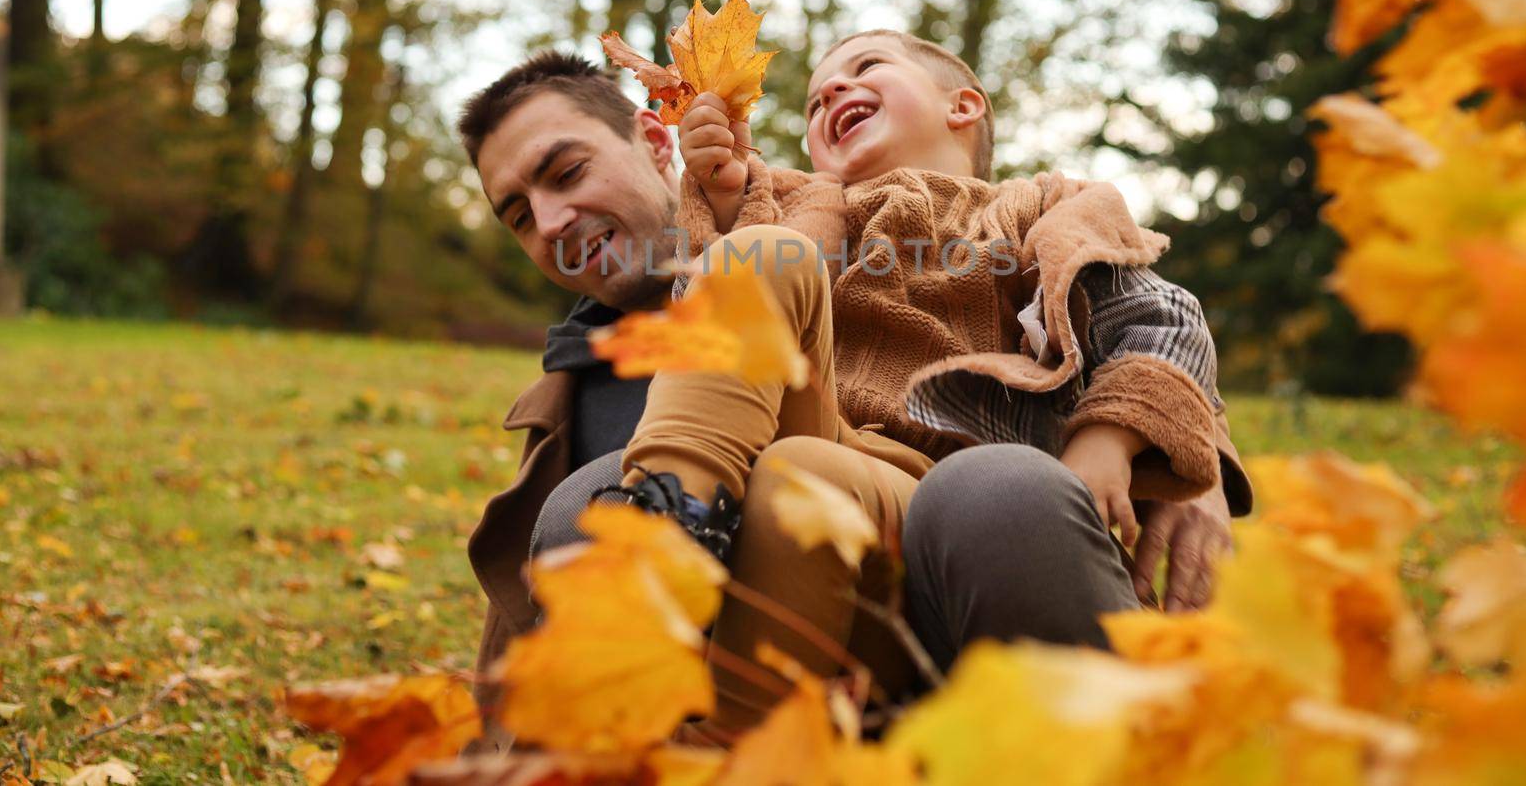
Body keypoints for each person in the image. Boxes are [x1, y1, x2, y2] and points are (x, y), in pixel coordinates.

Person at [459, 45, 1250, 746]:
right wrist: (727, 191)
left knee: (975, 485)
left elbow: (1160, 318)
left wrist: (1128, 443)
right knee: (783, 403)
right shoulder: (806, 209)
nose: (833, 89)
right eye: (814, 98)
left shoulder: (1047, 208)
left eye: (866, 68)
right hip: (835, 490)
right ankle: (675, 533)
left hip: (970, 513)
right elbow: (716, 278)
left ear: (963, 104)